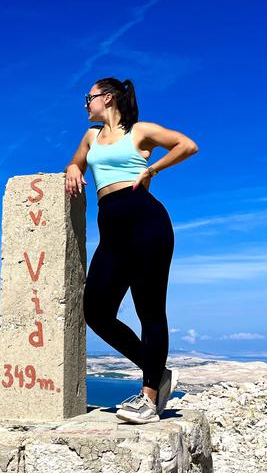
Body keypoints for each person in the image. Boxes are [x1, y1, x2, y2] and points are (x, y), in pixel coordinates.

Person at [64, 77, 198, 424]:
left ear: (107, 98)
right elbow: (76, 163)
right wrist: (73, 170)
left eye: (88, 98)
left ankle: (150, 396)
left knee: (149, 309)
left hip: (146, 221)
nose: (85, 105)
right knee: (95, 311)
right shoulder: (91, 137)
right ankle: (159, 371)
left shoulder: (139, 132)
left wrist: (152, 168)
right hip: (110, 229)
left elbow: (187, 145)